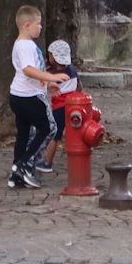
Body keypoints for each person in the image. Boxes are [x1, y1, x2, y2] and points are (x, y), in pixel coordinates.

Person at [7, 5, 68, 189]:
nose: (40, 27)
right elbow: (28, 70)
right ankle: (23, 165)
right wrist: (52, 76)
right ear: (27, 25)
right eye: (38, 24)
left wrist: (48, 84)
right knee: (49, 128)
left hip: (20, 95)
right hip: (29, 97)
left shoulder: (24, 44)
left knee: (24, 135)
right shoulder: (24, 45)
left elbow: (34, 71)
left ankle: (16, 176)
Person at [35, 39, 80, 174]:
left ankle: (47, 162)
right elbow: (79, 86)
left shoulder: (54, 74)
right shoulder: (72, 71)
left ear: (53, 57)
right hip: (73, 106)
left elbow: (42, 82)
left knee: (55, 135)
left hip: (59, 108)